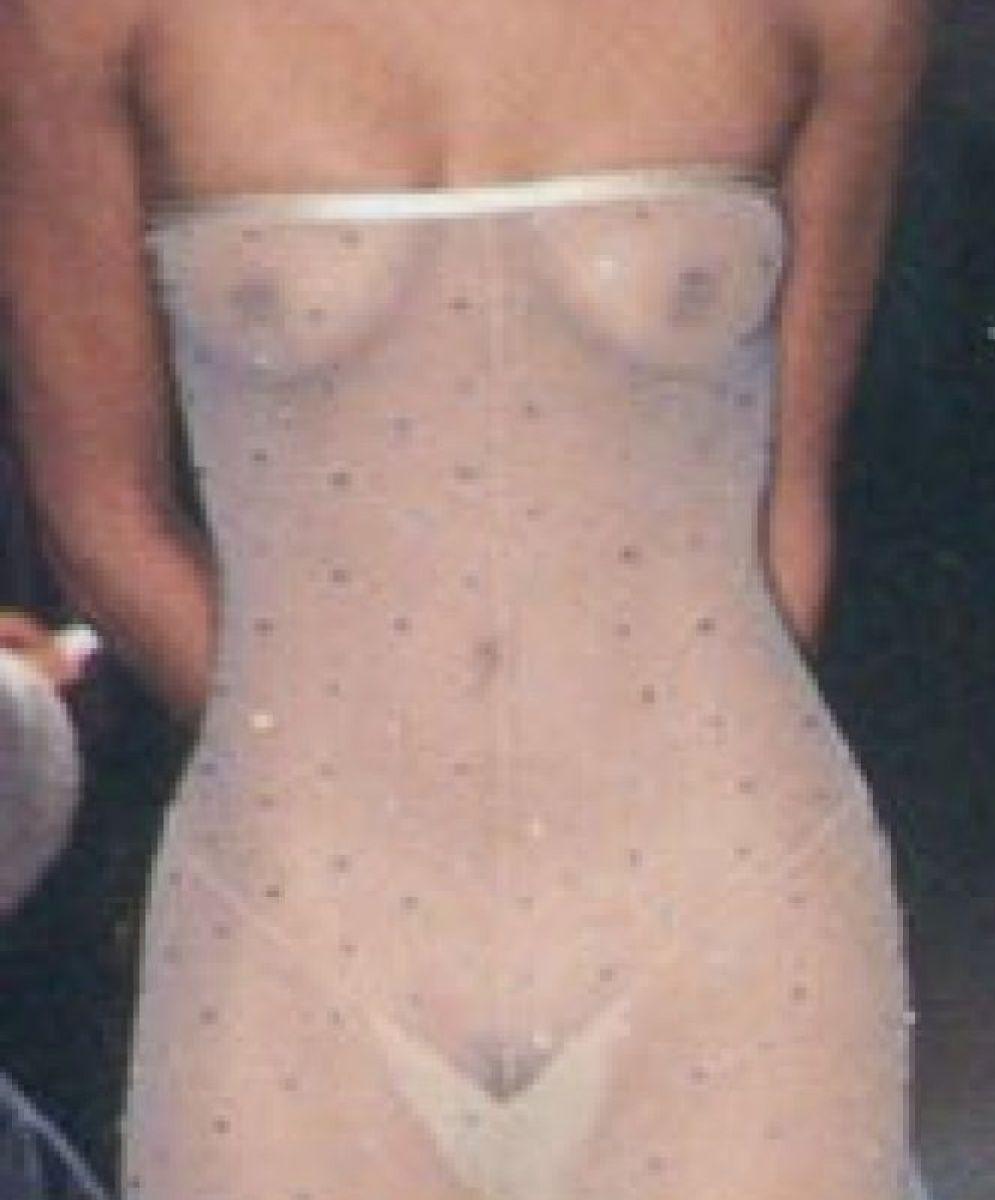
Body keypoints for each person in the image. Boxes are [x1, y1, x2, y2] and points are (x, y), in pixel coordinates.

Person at [1, 0, 926, 1196]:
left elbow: (785, 509)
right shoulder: (78, 21)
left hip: (718, 873)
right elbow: (103, 514)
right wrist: (327, 777)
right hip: (303, 887)